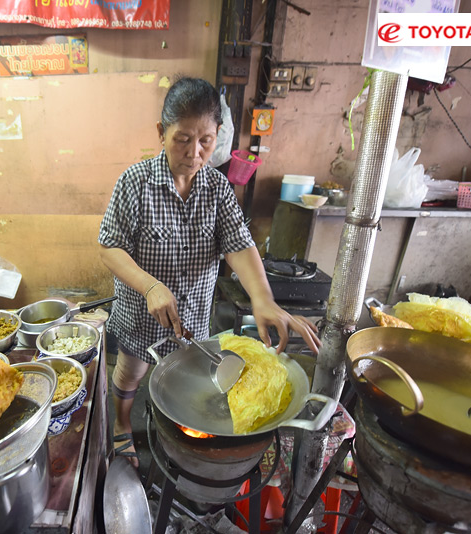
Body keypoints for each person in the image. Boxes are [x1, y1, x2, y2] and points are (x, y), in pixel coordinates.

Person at [98, 76, 321, 467]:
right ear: (160, 132)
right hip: (141, 316)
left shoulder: (218, 189)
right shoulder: (134, 184)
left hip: (193, 320)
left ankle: (171, 430)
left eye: (206, 140)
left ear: (219, 135)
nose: (194, 152)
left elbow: (239, 245)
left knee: (188, 384)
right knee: (131, 374)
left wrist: (263, 299)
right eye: (182, 138)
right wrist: (151, 287)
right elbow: (109, 247)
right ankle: (121, 424)